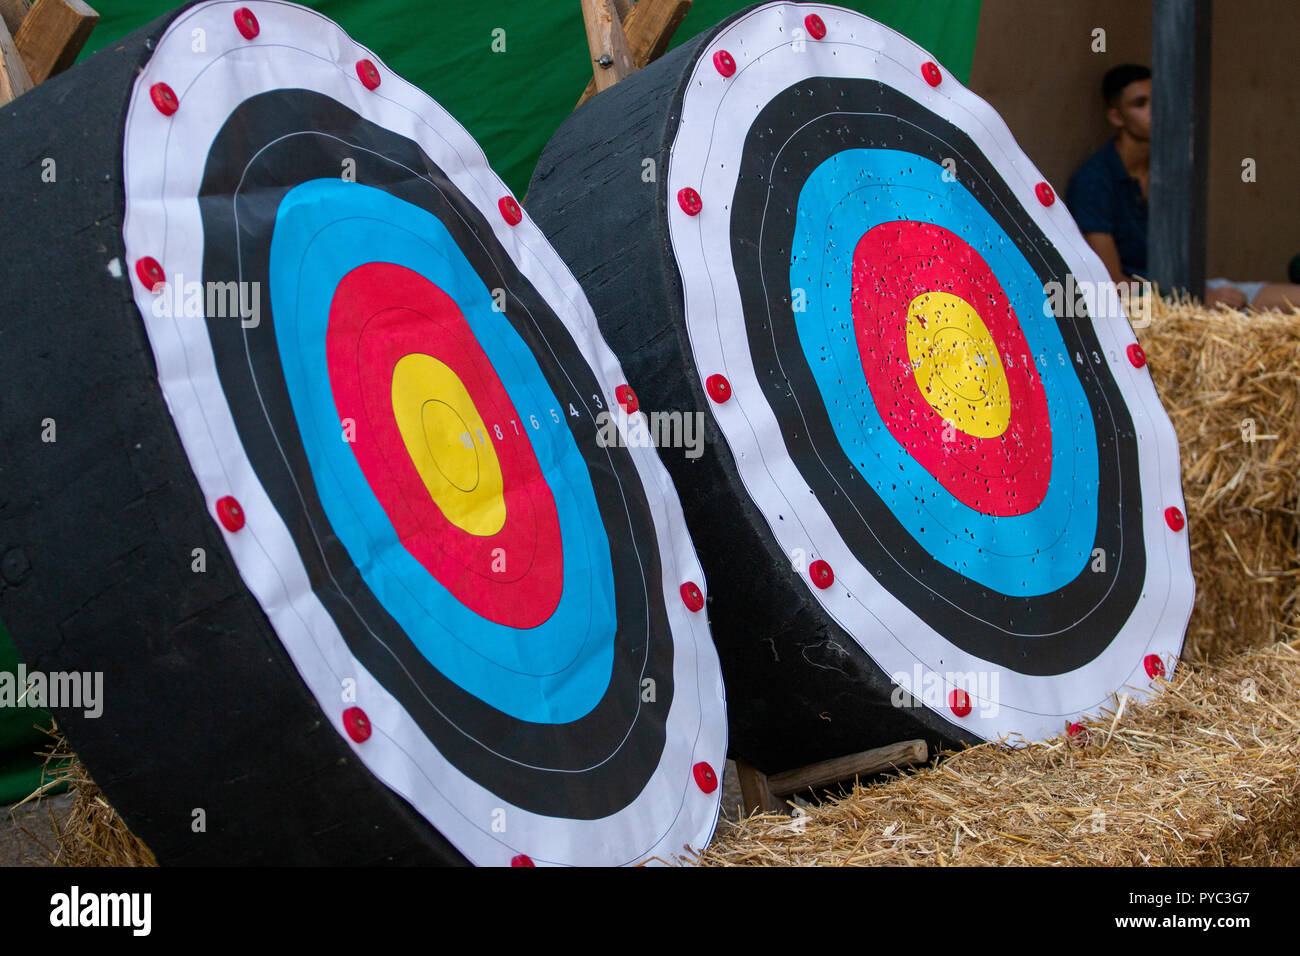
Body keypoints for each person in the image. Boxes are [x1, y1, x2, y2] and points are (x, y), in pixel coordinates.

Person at [1065, 63, 1300, 312]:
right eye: (1140, 104)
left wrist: (1203, 295)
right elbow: (1113, 284)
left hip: (1195, 291)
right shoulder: (1094, 180)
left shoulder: (1170, 169)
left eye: (1159, 100)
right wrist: (1194, 299)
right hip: (1150, 306)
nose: (1155, 111)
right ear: (1116, 117)